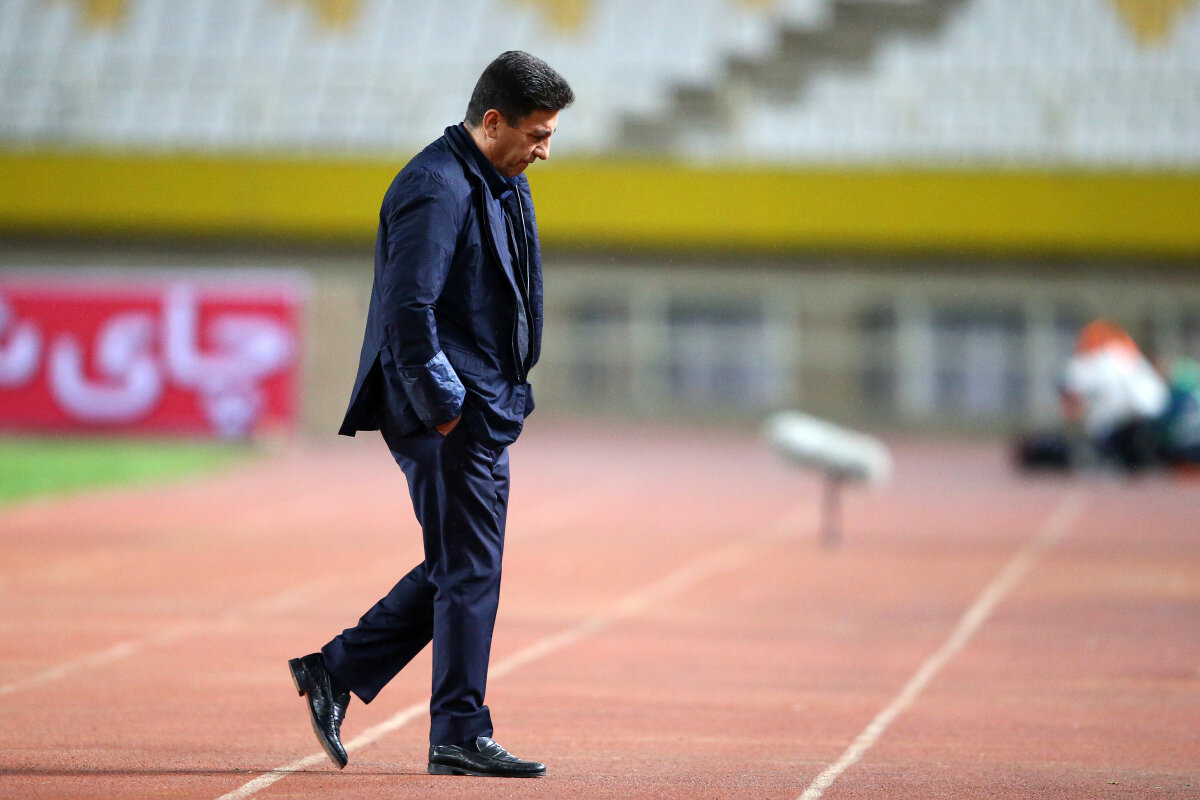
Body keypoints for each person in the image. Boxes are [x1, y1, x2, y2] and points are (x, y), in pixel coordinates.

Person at [289, 51, 573, 778]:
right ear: (492, 122)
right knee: (470, 567)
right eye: (538, 134)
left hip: (483, 403)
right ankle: (458, 732)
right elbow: (406, 311)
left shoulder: (503, 179)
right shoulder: (434, 185)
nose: (545, 149)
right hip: (444, 410)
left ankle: (336, 669)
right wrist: (448, 410)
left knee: (462, 564)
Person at [1059, 319, 1169, 471]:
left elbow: (1071, 405)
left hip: (1117, 429)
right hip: (1153, 424)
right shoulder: (1131, 356)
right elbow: (1157, 397)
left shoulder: (1088, 362)